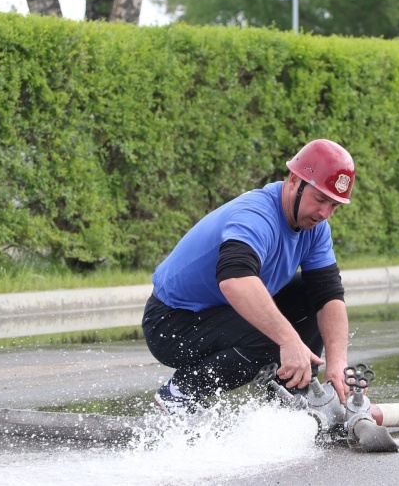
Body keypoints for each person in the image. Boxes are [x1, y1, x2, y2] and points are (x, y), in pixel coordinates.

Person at [142, 138, 356, 414]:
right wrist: (289, 341)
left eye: (334, 206)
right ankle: (180, 393)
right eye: (320, 199)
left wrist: (338, 363)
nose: (324, 213)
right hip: (171, 325)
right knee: (276, 337)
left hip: (221, 312)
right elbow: (235, 280)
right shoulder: (256, 215)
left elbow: (329, 295)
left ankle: (285, 409)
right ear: (294, 181)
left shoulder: (315, 228)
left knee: (309, 297)